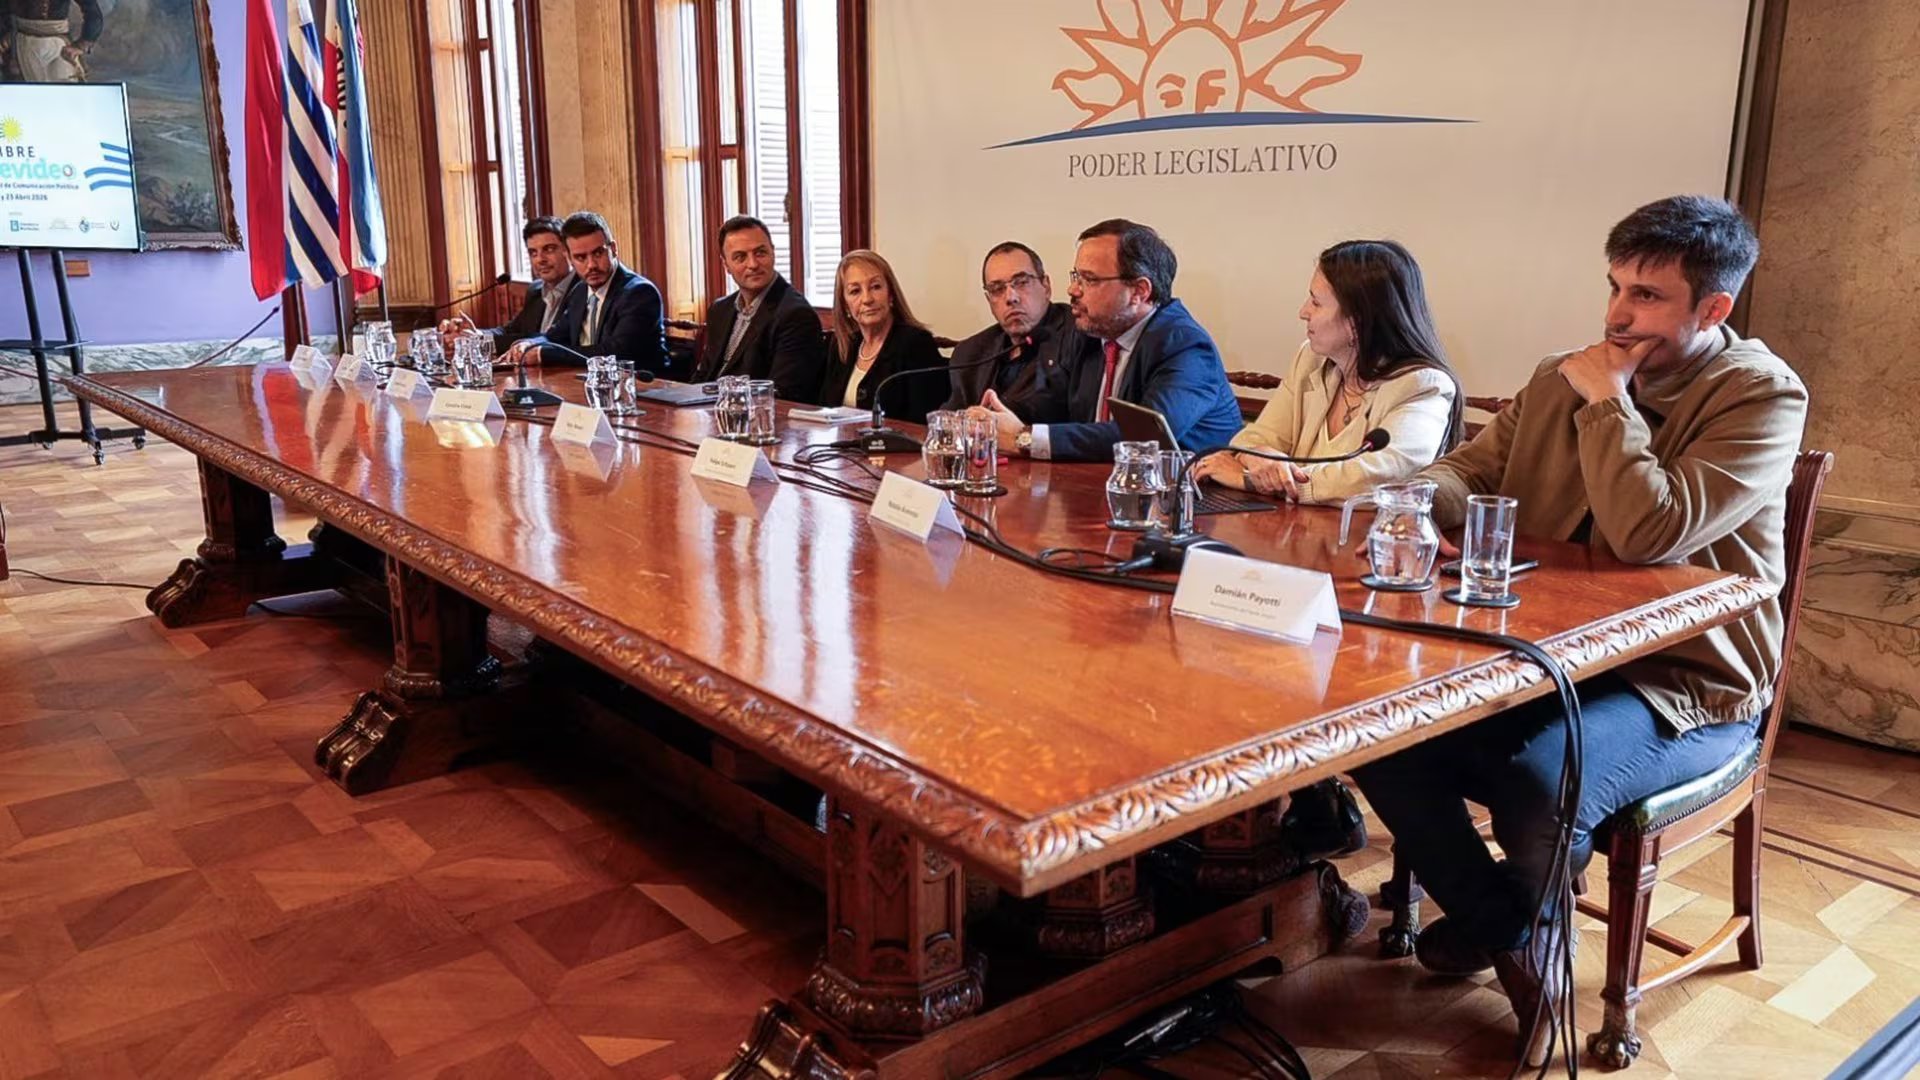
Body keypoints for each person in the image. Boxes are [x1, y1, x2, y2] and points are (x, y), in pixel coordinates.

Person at [1350, 195, 1807, 1066]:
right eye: (1613, 286)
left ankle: (1539, 977)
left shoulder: (1760, 395)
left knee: (1535, 779)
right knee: (1379, 733)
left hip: (1688, 682)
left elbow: (1649, 532)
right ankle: (1506, 929)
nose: (1616, 314)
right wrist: (1400, 501)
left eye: (1646, 295)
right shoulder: (1562, 373)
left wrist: (1608, 403)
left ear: (1713, 309)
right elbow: (1468, 468)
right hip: (1554, 654)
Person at [1193, 239, 1462, 503]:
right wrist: (1258, 456)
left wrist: (1250, 480)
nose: (1303, 312)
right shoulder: (1310, 359)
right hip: (1291, 534)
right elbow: (1254, 438)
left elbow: (1380, 477)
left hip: (1363, 541)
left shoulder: (1423, 386)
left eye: (1316, 303)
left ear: (1357, 322)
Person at [981, 219, 1241, 462]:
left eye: (1089, 279)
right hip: (1103, 487)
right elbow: (1050, 401)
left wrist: (1023, 439)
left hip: (1193, 500)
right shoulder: (1090, 332)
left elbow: (1145, 438)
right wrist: (991, 419)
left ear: (1139, 291)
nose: (1073, 290)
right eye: (1076, 277)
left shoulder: (1185, 346)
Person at [941, 241, 1083, 422]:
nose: (1011, 298)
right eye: (997, 289)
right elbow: (950, 421)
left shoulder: (1077, 334)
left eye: (1022, 282)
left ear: (1046, 286)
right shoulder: (970, 353)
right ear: (988, 299)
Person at [692, 215, 827, 400]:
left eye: (760, 253)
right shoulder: (719, 310)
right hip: (711, 414)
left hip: (759, 421)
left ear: (773, 253)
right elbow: (704, 376)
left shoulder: (795, 315)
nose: (753, 264)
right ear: (726, 265)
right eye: (740, 257)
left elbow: (782, 394)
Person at [519, 211, 666, 373]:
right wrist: (529, 344)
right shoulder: (580, 291)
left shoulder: (639, 293)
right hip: (587, 384)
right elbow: (555, 336)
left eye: (598, 253)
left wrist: (544, 354)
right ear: (569, 258)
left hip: (641, 388)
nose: (591, 265)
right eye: (581, 257)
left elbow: (616, 354)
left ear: (613, 249)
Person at [816, 250, 946, 424]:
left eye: (876, 287)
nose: (867, 299)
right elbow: (826, 410)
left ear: (890, 295)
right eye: (855, 291)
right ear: (845, 305)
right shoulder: (843, 345)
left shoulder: (916, 344)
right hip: (843, 448)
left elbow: (924, 423)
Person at [441, 216, 576, 357]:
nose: (540, 260)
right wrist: (475, 334)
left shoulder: (583, 289)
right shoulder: (535, 290)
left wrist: (481, 341)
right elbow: (510, 331)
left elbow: (551, 338)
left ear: (568, 250)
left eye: (548, 249)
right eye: (533, 253)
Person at [3, 0, 103, 82]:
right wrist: (5, 40)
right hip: (21, 44)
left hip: (60, 45)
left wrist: (80, 45)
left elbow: (93, 13)